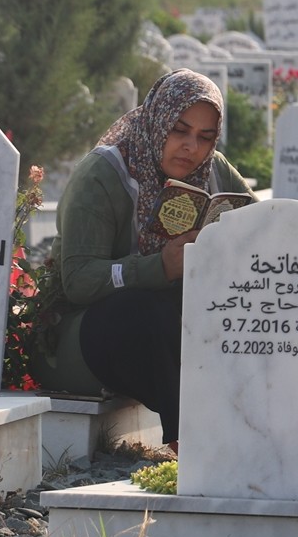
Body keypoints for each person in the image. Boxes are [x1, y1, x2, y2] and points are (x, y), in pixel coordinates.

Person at [43, 68, 256, 453]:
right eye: (179, 130)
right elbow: (77, 280)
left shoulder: (213, 171)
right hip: (86, 336)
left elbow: (263, 228)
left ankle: (254, 428)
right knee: (148, 310)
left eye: (205, 138)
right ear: (157, 120)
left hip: (167, 333)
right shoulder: (103, 175)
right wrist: (160, 267)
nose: (191, 147)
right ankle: (189, 444)